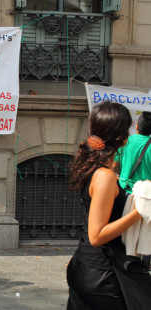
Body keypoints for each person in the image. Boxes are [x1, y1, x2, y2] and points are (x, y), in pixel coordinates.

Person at [67, 101, 144, 309]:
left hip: (89, 267)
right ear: (123, 139)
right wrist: (138, 212)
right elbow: (97, 236)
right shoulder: (104, 176)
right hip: (102, 274)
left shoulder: (95, 168)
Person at [113, 111, 151, 193]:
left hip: (124, 190)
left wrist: (122, 176)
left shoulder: (124, 141)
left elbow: (114, 165)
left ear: (136, 126)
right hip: (144, 195)